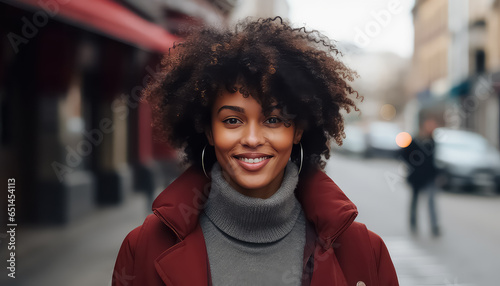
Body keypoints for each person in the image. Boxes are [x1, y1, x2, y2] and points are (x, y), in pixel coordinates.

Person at [112, 17, 398, 286]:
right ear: (209, 131)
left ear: (297, 130)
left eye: (272, 119)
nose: (251, 138)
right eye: (232, 120)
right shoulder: (143, 248)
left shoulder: (364, 251)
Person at [401, 116, 440, 236]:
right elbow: (403, 154)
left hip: (429, 176)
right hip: (416, 176)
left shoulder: (432, 141)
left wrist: (437, 174)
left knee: (431, 202)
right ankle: (413, 223)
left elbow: (433, 160)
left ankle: (434, 226)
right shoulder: (414, 140)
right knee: (415, 201)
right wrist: (412, 166)